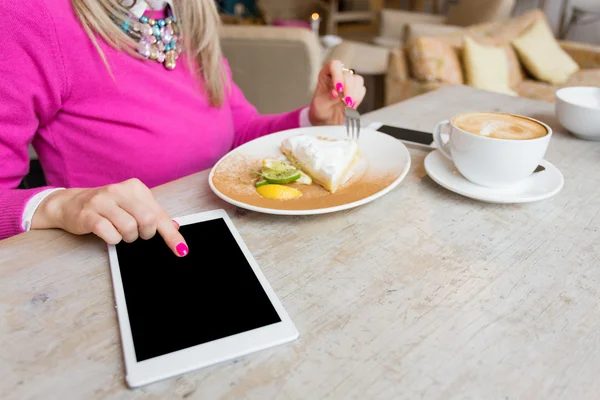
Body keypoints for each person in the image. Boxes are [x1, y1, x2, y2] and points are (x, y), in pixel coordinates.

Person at [0, 0, 366, 256]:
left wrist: (311, 121)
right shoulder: (29, 13)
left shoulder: (186, 16)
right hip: (118, 267)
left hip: (241, 241)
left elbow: (236, 134)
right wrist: (61, 205)